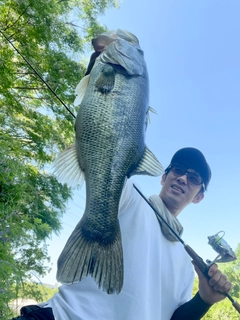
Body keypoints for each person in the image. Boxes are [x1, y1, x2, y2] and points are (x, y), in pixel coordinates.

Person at [14, 147, 232, 320]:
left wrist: (204, 300)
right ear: (163, 177)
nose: (183, 178)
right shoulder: (129, 195)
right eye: (177, 169)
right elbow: (105, 155)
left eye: (193, 178)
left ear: (198, 197)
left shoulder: (187, 265)